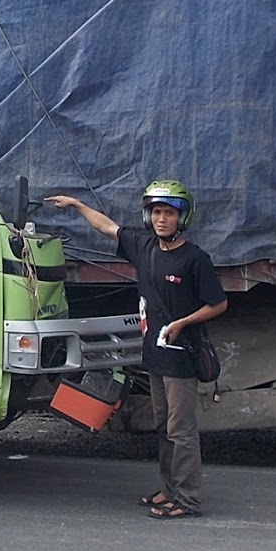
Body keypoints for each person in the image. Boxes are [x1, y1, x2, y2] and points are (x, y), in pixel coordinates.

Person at [45, 181, 227, 518]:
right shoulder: (143, 246)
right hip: (155, 357)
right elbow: (107, 227)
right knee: (163, 427)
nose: (161, 219)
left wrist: (182, 323)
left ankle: (187, 499)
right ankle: (169, 489)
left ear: (182, 218)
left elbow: (218, 304)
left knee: (181, 430)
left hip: (182, 357)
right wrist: (76, 204)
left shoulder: (195, 259)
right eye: (156, 212)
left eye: (169, 213)